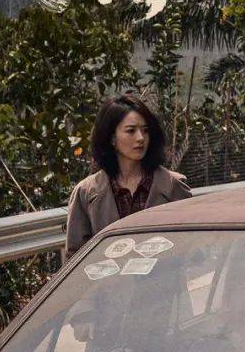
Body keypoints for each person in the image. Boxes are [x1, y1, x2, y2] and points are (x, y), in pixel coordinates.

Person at [65, 92, 191, 259]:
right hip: (109, 276)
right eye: (131, 131)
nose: (140, 138)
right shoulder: (86, 192)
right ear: (112, 138)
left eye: (145, 131)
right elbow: (76, 257)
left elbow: (189, 247)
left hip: (163, 275)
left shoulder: (173, 185)